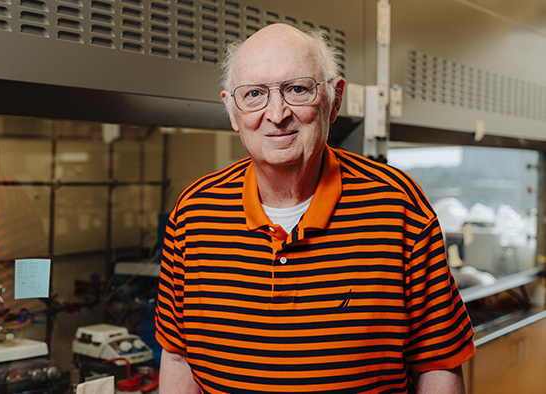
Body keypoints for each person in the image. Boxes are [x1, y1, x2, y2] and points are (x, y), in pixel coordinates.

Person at [154, 23, 475, 394]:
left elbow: (439, 364)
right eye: (254, 94)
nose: (276, 113)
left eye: (297, 89)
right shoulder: (193, 212)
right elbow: (177, 356)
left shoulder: (398, 206)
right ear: (232, 112)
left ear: (334, 99)